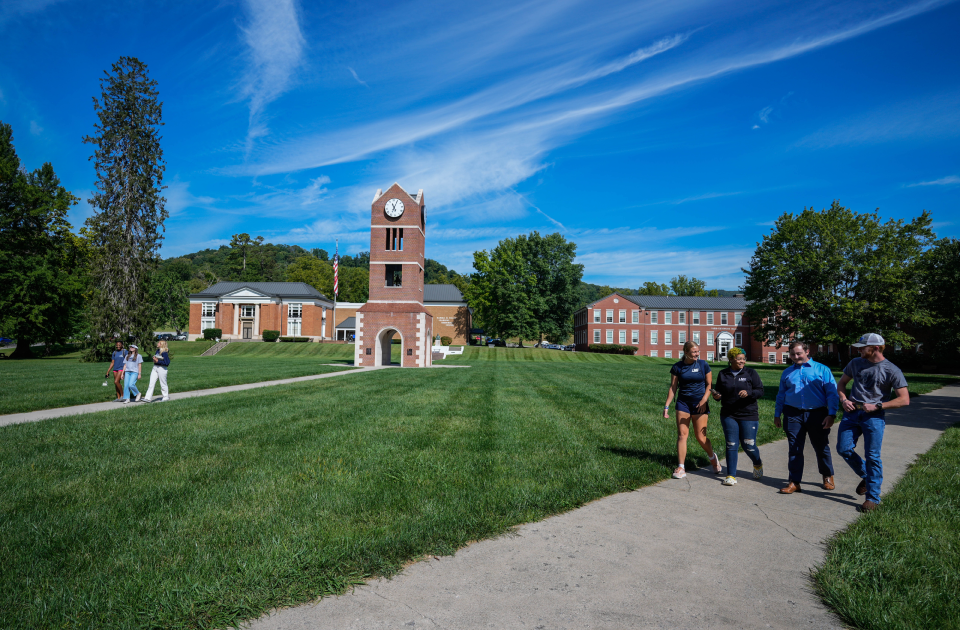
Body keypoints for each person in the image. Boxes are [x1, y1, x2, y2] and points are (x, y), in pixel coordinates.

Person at [836, 333, 910, 512]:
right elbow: (841, 384)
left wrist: (878, 406)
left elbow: (904, 400)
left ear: (876, 348)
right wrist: (844, 400)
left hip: (874, 417)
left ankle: (873, 499)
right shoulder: (855, 363)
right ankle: (867, 477)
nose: (858, 349)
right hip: (852, 413)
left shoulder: (891, 370)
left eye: (863, 347)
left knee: (873, 456)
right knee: (843, 449)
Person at [774, 341, 839, 494]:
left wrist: (832, 414)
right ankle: (794, 481)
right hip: (792, 414)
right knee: (794, 448)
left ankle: (827, 475)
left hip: (817, 414)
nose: (796, 357)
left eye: (799, 353)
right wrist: (777, 414)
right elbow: (781, 395)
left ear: (807, 351)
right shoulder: (787, 372)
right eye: (792, 354)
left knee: (821, 447)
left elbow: (832, 393)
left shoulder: (822, 370)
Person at [664, 341, 722, 479]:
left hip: (700, 404)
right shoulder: (678, 367)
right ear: (686, 353)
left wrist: (704, 400)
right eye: (694, 352)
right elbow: (673, 388)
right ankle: (681, 467)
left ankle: (713, 458)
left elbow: (709, 385)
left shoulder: (703, 364)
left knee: (700, 437)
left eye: (698, 351)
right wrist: (666, 406)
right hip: (683, 403)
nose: (697, 354)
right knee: (682, 435)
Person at [711, 347, 765, 486]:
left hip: (748, 413)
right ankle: (731, 475)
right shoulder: (723, 374)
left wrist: (749, 393)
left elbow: (760, 391)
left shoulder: (751, 373)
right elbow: (720, 393)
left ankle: (757, 463)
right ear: (731, 359)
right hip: (729, 414)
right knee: (731, 444)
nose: (742, 361)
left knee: (749, 445)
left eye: (743, 358)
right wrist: (717, 396)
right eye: (739, 358)